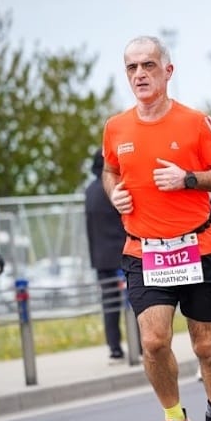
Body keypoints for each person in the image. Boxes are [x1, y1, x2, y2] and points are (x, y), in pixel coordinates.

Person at [101, 34, 211, 421]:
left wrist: (189, 179)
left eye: (148, 65)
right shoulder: (116, 128)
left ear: (168, 70)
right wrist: (115, 195)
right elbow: (110, 172)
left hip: (198, 246)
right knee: (154, 340)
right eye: (131, 68)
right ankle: (173, 418)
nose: (140, 74)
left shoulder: (198, 122)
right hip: (145, 251)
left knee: (204, 346)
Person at [85, 149, 128, 363]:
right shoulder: (116, 188)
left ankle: (115, 349)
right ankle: (139, 346)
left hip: (102, 259)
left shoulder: (89, 191)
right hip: (124, 255)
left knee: (110, 305)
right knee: (133, 303)